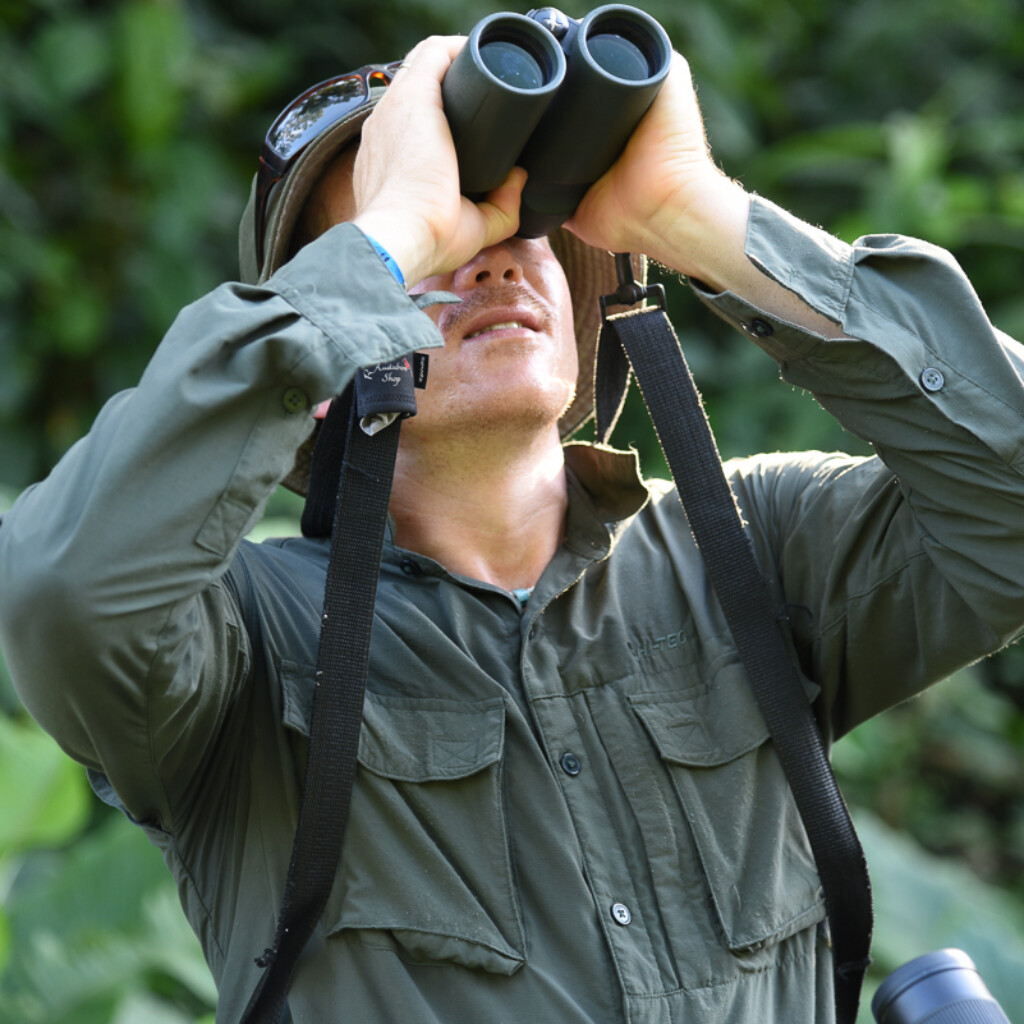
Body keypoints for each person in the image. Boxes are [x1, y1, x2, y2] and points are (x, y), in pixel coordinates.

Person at [1, 29, 1023, 1024]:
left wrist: (705, 218)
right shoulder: (241, 651)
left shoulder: (752, 546)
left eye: (517, 222)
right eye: (432, 240)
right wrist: (391, 231)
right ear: (331, 334)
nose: (489, 258)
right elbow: (63, 590)